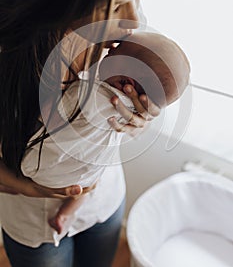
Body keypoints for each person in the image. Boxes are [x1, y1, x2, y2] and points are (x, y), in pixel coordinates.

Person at [0, 0, 162, 266]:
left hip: (103, 200)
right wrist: (27, 187)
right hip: (35, 226)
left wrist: (139, 119)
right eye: (118, 4)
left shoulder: (120, 37)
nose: (136, 21)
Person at [44, 31, 190, 236]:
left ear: (124, 82)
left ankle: (66, 212)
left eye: (118, 48)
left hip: (87, 182)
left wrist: (144, 119)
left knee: (83, 182)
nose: (111, 48)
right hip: (88, 175)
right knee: (87, 183)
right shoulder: (118, 97)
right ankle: (66, 213)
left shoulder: (91, 94)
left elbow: (53, 112)